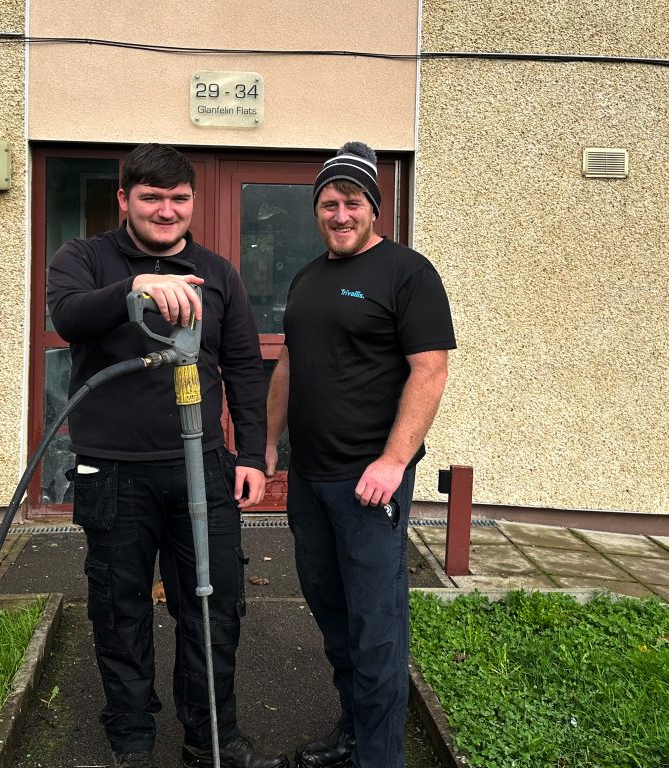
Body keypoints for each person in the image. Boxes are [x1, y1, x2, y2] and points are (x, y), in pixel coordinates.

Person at [47, 143, 288, 768]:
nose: (166, 210)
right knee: (118, 608)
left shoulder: (218, 273)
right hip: (113, 471)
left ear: (192, 203)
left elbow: (240, 366)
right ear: (124, 199)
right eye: (151, 197)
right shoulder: (85, 259)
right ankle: (130, 742)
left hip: (201, 467)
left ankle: (211, 738)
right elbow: (69, 316)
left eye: (178, 198)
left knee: (212, 605)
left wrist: (253, 458)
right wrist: (137, 284)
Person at [265, 142, 456, 768]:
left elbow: (429, 370)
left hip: (369, 485)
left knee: (377, 630)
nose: (339, 214)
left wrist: (394, 462)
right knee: (334, 617)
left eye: (351, 202)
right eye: (328, 203)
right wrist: (269, 441)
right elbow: (289, 364)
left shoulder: (409, 274)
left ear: (374, 207)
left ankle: (380, 758)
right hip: (309, 482)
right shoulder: (306, 277)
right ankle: (352, 738)